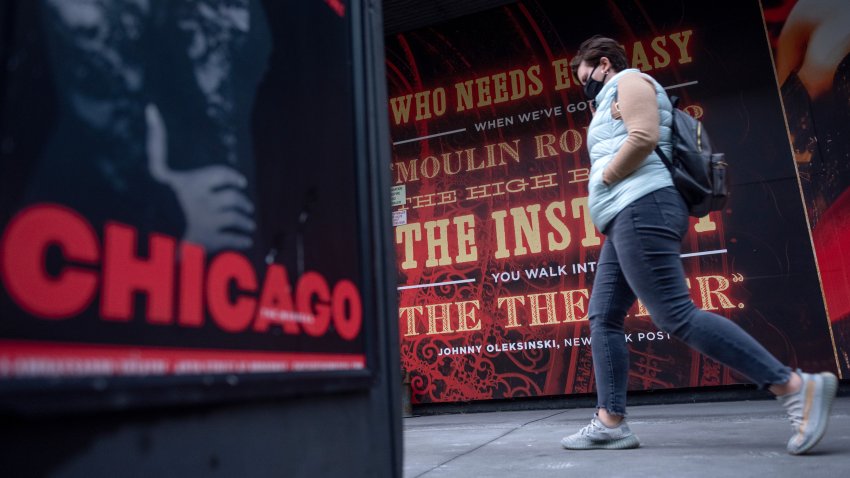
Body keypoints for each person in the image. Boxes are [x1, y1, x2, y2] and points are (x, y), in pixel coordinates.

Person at [559, 35, 838, 455]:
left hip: (641, 205)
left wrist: (603, 179)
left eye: (586, 79)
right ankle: (610, 422)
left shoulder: (631, 82)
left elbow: (643, 137)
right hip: (623, 214)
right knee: (603, 316)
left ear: (601, 64)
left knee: (675, 314)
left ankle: (795, 386)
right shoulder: (610, 100)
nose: (586, 89)